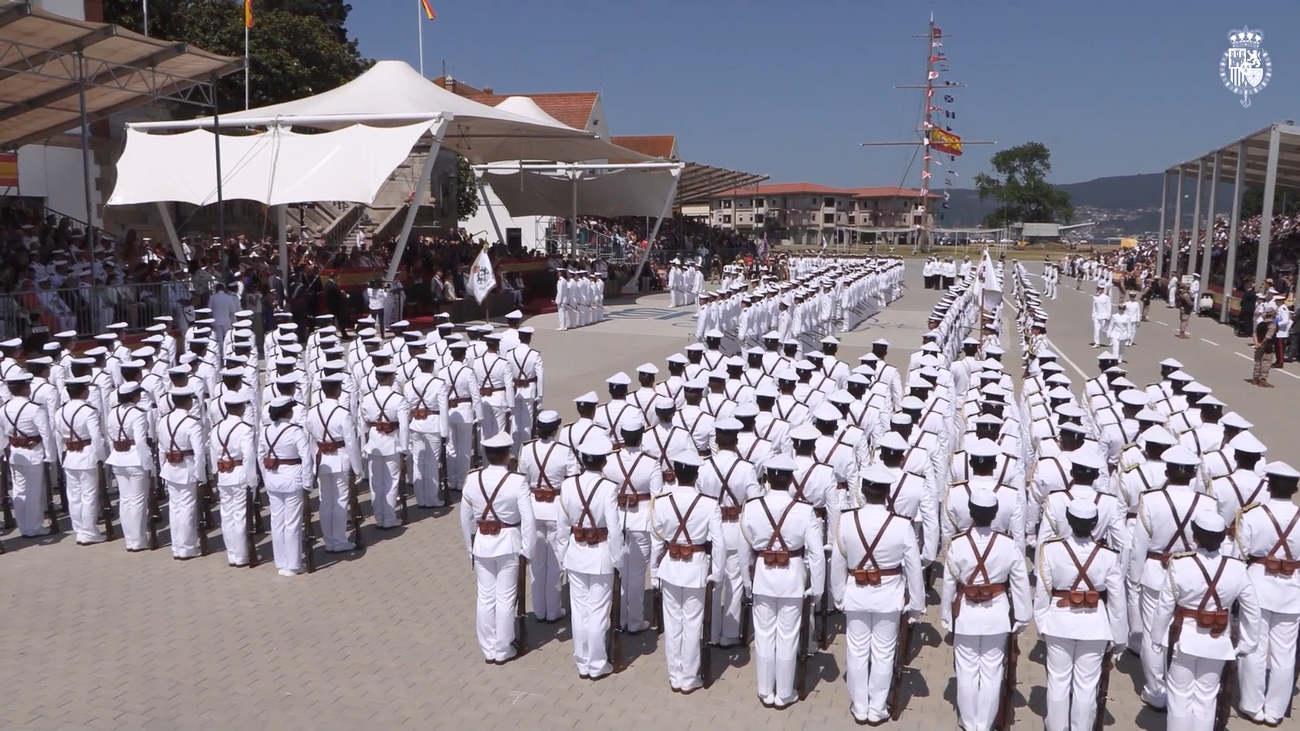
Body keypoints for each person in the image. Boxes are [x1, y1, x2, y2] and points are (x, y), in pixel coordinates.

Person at [1151, 512, 1261, 731]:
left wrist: (1156, 637)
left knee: (1180, 696)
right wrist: (1248, 642)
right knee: (1206, 697)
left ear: (1196, 536)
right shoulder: (1238, 568)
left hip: (1183, 639)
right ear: (1222, 538)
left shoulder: (1180, 564)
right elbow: (1252, 609)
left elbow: (1164, 605)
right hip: (1218, 642)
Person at [831, 464, 923, 723]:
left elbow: (838, 562)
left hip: (856, 593)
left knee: (857, 651)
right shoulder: (902, 524)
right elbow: (914, 569)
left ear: (862, 490)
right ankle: (877, 708)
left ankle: (860, 706)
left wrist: (838, 595)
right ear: (887, 493)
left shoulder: (847, 519)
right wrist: (916, 605)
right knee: (883, 653)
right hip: (888, 596)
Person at [736, 453, 826, 709]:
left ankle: (765, 690)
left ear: (766, 478)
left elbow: (745, 550)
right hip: (792, 579)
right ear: (790, 480)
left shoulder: (752, 507)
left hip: (763, 578)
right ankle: (784, 693)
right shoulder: (805, 510)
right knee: (787, 637)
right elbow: (816, 554)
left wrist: (746, 581)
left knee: (764, 636)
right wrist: (816, 588)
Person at [941, 488, 1032, 731]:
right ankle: (984, 723)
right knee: (992, 672)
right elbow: (1020, 583)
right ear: (994, 514)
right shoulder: (1008, 544)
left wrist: (947, 618)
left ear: (970, 512)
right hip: (996, 614)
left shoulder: (957, 544)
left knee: (967, 670)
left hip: (966, 615)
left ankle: (969, 722)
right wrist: (1023, 617)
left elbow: (949, 583)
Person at [1033, 498, 1127, 731]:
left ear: (1069, 520)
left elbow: (1043, 592)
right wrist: (1119, 636)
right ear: (1095, 523)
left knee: (1058, 681)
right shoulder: (1109, 555)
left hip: (1058, 622)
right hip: (1095, 625)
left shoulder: (1051, 549)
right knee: (1086, 686)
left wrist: (1042, 623)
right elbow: (1117, 600)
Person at [649, 450, 725, 693]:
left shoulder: (661, 501)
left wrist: (653, 571)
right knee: (692, 624)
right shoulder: (710, 504)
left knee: (673, 624)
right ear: (696, 474)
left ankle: (675, 675)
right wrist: (718, 572)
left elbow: (656, 541)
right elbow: (719, 542)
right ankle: (690, 678)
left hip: (670, 569)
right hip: (696, 568)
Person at [459, 432, 535, 664]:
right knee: (505, 598)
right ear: (507, 456)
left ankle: (488, 648)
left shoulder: (472, 479)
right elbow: (528, 518)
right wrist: (528, 550)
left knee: (485, 596)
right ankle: (503, 649)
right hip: (509, 543)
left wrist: (470, 546)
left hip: (482, 543)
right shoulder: (517, 481)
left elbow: (465, 517)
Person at [1234, 461, 1300, 725]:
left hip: (1257, 586)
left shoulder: (1251, 515)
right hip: (1293, 590)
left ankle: (1252, 705)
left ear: (1269, 485)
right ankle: (1274, 711)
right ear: (1295, 488)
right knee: (1285, 653)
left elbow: (1239, 556)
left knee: (1255, 646)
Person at [555, 434, 624, 679]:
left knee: (580, 609)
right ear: (604, 462)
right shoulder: (609, 488)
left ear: (583, 460)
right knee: (597, 611)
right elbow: (615, 530)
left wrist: (562, 555)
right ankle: (596, 664)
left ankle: (582, 660)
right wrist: (619, 560)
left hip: (575, 552)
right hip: (601, 554)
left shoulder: (568, 485)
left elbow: (561, 526)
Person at [603, 413, 663, 635]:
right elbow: (657, 499)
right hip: (641, 522)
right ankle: (635, 620)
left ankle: (619, 616)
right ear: (640, 437)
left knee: (619, 571)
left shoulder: (609, 460)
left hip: (616, 519)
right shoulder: (651, 464)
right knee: (637, 574)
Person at [519, 411, 578, 624]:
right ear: (555, 429)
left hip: (533, 509)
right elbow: (572, 483)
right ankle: (553, 610)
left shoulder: (526, 449)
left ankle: (540, 610)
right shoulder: (565, 452)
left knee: (537, 562)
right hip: (556, 509)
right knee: (556, 562)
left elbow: (522, 482)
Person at [307, 375, 362, 552]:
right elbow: (351, 443)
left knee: (325, 501)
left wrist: (313, 464)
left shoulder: (312, 412)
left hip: (322, 460)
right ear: (338, 390)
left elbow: (310, 441)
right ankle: (339, 541)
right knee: (340, 501)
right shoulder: (343, 413)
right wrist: (358, 468)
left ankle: (329, 541)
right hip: (340, 459)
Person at [259, 396, 312, 576]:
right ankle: (294, 564)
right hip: (292, 478)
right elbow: (306, 457)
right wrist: (307, 482)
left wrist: (266, 478)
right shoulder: (295, 431)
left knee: (277, 521)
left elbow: (260, 457)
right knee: (292, 523)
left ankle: (281, 561)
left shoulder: (266, 431)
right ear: (288, 412)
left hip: (273, 478)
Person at [158, 385, 207, 559]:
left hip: (170, 468)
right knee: (187, 508)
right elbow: (199, 452)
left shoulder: (164, 420)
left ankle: (177, 546)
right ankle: (187, 547)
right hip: (187, 468)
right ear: (187, 401)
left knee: (175, 507)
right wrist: (201, 475)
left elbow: (161, 448)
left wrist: (162, 466)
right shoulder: (192, 422)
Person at [54, 377, 105, 545]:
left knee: (74, 495)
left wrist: (62, 453)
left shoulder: (60, 411)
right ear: (83, 391)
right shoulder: (88, 410)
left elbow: (58, 436)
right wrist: (100, 457)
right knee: (88, 496)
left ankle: (79, 530)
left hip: (70, 456)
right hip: (86, 454)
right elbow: (96, 436)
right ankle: (89, 531)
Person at [105, 382, 155, 551]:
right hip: (135, 458)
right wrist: (149, 464)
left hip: (118, 458)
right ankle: (138, 540)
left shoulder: (113, 412)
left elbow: (111, 434)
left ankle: (130, 540)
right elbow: (141, 441)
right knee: (138, 501)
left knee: (125, 500)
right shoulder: (139, 414)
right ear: (134, 396)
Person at [360, 365, 410, 528]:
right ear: (392, 378)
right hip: (392, 444)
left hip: (374, 443)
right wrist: (404, 448)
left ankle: (379, 517)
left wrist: (364, 445)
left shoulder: (367, 398)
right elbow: (404, 426)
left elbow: (364, 424)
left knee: (376, 483)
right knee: (391, 482)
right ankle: (389, 518)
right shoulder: (399, 398)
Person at [211, 392, 257, 566]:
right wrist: (252, 480)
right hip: (239, 475)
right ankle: (241, 555)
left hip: (223, 476)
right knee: (240, 516)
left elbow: (213, 453)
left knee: (227, 516)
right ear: (240, 408)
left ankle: (232, 554)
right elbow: (249, 456)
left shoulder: (216, 428)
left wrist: (217, 473)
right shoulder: (245, 428)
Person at [1251, 303, 1278, 388]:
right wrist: (1261, 344)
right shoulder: (1272, 325)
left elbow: (1254, 334)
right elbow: (1268, 337)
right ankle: (1263, 380)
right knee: (1266, 363)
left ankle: (1255, 379)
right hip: (1267, 346)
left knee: (1258, 362)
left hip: (1258, 345)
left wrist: (1256, 343)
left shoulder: (1260, 324)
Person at [1090, 284, 1111, 349]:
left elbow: (1109, 307)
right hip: (1097, 315)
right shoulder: (1095, 297)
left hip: (1104, 316)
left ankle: (1111, 340)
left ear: (1102, 290)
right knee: (1096, 330)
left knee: (1104, 330)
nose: (1098, 290)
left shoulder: (1106, 297)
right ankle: (1097, 343)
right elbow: (1094, 307)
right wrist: (1093, 315)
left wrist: (1108, 316)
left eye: (1099, 289)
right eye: (1097, 289)